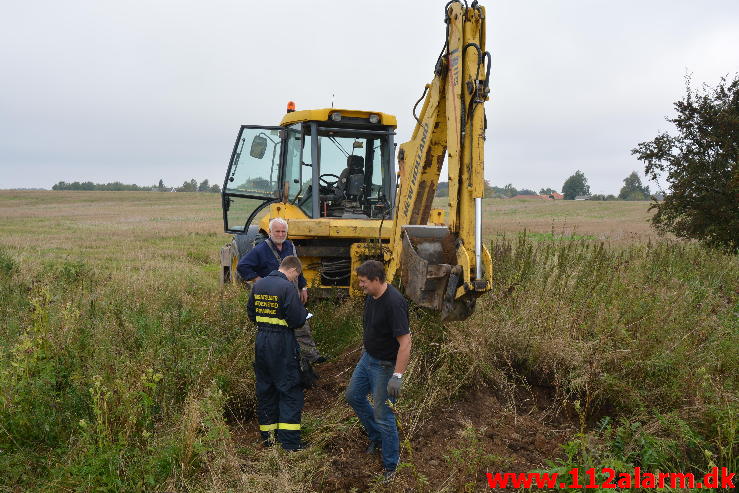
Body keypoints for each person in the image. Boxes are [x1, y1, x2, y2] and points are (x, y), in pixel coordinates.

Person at [345, 260, 411, 482]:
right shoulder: (371, 296)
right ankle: (376, 436)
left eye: (363, 282)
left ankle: (391, 465)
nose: (360, 285)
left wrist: (397, 376)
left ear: (376, 280)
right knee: (353, 396)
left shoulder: (394, 303)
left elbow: (405, 343)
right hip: (368, 359)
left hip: (384, 366)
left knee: (384, 416)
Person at [237, 217, 325, 364]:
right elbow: (242, 266)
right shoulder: (260, 249)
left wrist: (303, 286)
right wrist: (259, 280)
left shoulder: (290, 246)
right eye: (277, 231)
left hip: (292, 294)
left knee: (301, 324)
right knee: (279, 329)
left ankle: (311, 357)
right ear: (270, 232)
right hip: (274, 298)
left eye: (283, 231)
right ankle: (287, 359)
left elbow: (297, 268)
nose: (280, 234)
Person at [246, 255, 308, 451]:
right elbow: (297, 320)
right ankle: (290, 443)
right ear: (292, 270)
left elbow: (251, 314)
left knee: (266, 389)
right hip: (281, 343)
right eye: (295, 276)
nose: (294, 280)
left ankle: (269, 438)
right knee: (289, 389)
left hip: (262, 341)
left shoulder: (259, 285)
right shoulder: (287, 287)